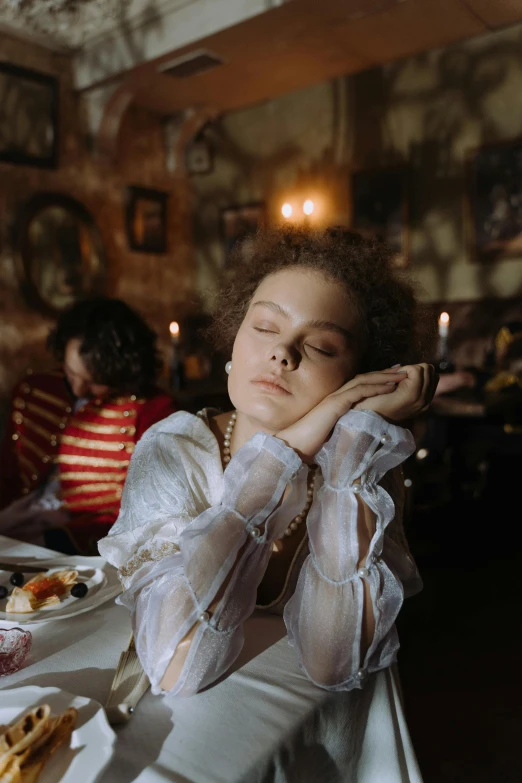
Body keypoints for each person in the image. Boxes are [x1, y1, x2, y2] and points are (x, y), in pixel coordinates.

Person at [99, 229, 435, 708]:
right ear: (234, 338)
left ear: (360, 375)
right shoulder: (174, 450)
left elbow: (333, 663)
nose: (283, 353)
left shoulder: (360, 471)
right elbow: (176, 667)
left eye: (320, 346)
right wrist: (288, 451)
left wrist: (352, 440)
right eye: (264, 327)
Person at [0, 298, 175, 554]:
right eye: (71, 373)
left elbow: (147, 510)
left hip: (83, 544)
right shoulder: (34, 389)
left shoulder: (154, 411)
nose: (79, 388)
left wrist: (55, 538)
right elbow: (8, 472)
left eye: (94, 382)